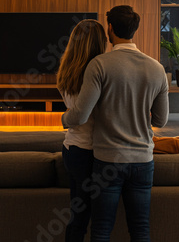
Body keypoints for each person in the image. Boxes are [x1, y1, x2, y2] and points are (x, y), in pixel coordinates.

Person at [62, 5, 169, 242]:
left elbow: (80, 115)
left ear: (110, 28)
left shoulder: (99, 65)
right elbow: (161, 119)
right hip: (143, 160)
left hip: (108, 160)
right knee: (141, 229)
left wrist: (63, 119)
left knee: (101, 230)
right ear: (135, 29)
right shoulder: (157, 69)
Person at [57, 19, 107, 242]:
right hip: (92, 151)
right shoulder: (100, 72)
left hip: (72, 148)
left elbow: (74, 112)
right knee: (92, 216)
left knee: (78, 214)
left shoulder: (66, 71)